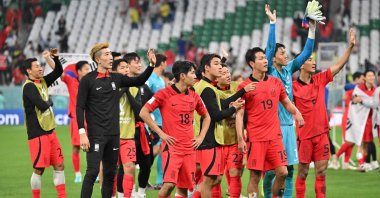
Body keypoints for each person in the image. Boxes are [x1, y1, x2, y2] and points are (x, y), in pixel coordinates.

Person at [76, 43, 155, 198]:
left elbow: (139, 80)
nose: (110, 57)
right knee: (92, 172)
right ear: (98, 59)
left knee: (110, 174)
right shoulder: (88, 80)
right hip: (96, 135)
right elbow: (80, 107)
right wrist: (82, 132)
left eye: (110, 54)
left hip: (114, 135)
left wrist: (151, 64)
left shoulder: (117, 78)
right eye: (106, 54)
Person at [293, 29, 356, 198]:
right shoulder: (292, 87)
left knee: (321, 172)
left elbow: (338, 66)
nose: (313, 62)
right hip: (304, 137)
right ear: (300, 64)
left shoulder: (320, 79)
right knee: (303, 173)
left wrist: (349, 48)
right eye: (309, 59)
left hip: (322, 135)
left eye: (313, 59)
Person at [262, 4, 316, 198]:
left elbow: (305, 54)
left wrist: (312, 30)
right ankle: (268, 194)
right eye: (282, 53)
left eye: (285, 53)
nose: (286, 56)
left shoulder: (288, 69)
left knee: (290, 169)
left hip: (288, 126)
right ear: (274, 58)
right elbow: (269, 48)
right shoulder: (269, 71)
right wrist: (273, 23)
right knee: (272, 170)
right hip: (272, 127)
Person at [235, 47, 304, 198]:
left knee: (283, 172)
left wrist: (297, 113)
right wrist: (240, 139)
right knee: (254, 176)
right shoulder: (245, 86)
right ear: (252, 63)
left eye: (265, 58)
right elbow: (239, 115)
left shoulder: (275, 82)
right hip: (256, 139)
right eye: (260, 58)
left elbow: (286, 102)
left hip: (275, 137)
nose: (265, 60)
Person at [140, 60, 211, 198]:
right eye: (192, 72)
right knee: (168, 185)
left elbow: (206, 116)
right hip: (172, 147)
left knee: (183, 187)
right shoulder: (163, 94)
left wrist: (201, 137)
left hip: (189, 148)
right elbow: (143, 112)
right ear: (183, 76)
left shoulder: (194, 95)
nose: (195, 76)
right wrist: (161, 133)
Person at [192, 53, 255, 198]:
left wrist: (240, 95)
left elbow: (221, 104)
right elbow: (216, 115)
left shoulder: (206, 86)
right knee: (209, 181)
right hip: (208, 140)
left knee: (215, 179)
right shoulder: (207, 89)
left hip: (206, 139)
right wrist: (234, 108)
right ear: (206, 68)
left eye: (222, 64)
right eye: (217, 64)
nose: (221, 67)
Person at [21, 50, 66, 198]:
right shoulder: (28, 86)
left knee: (59, 165)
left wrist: (52, 58)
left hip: (50, 131)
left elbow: (59, 71)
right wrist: (50, 101)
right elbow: (42, 105)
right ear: (29, 71)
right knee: (39, 169)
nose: (40, 68)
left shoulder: (43, 81)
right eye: (36, 66)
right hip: (38, 133)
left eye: (40, 65)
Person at [43, 50, 91, 183]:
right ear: (79, 71)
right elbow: (59, 72)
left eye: (89, 68)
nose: (88, 70)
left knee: (94, 146)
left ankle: (95, 172)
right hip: (77, 119)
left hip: (92, 119)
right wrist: (48, 59)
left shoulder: (94, 83)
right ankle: (77, 174)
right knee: (76, 147)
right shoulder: (71, 81)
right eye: (86, 69)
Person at [216, 63, 244, 198]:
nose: (228, 75)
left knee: (235, 173)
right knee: (215, 178)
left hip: (233, 140)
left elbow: (242, 111)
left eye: (228, 72)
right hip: (217, 141)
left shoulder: (236, 87)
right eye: (223, 73)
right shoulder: (211, 91)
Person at [112, 58, 137, 198]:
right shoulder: (108, 86)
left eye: (127, 67)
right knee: (112, 170)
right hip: (112, 136)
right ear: (115, 71)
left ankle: (126, 196)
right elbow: (110, 101)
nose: (126, 70)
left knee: (129, 167)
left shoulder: (133, 87)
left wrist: (127, 90)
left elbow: (138, 111)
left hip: (128, 136)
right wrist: (123, 89)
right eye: (123, 67)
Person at [344, 70, 378, 172]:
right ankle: (361, 163)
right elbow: (354, 100)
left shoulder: (376, 90)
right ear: (365, 78)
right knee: (360, 142)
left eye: (373, 75)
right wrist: (357, 100)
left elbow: (375, 104)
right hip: (360, 119)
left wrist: (363, 101)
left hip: (371, 120)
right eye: (369, 75)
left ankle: (366, 163)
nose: (371, 77)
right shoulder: (359, 89)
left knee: (368, 143)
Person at [145, 53, 167, 189]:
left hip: (162, 120)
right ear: (162, 63)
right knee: (154, 150)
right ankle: (145, 176)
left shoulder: (160, 79)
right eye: (165, 62)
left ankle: (159, 180)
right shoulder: (150, 79)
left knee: (161, 149)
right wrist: (150, 118)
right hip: (153, 121)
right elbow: (144, 96)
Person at [336, 72, 364, 170]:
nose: (363, 81)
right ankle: (336, 157)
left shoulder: (359, 90)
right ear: (357, 79)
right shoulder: (353, 89)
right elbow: (345, 93)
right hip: (348, 117)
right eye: (362, 79)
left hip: (355, 117)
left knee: (352, 141)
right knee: (350, 141)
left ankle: (345, 163)